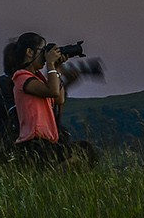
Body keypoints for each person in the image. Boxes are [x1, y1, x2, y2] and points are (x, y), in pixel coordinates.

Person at [9, 32, 96, 168]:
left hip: (48, 143)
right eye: (42, 51)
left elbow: (59, 98)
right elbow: (53, 91)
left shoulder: (40, 79)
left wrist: (56, 68)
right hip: (33, 146)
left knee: (86, 150)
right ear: (29, 52)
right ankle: (51, 176)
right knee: (82, 153)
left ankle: (53, 175)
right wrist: (50, 64)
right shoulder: (21, 77)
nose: (45, 55)